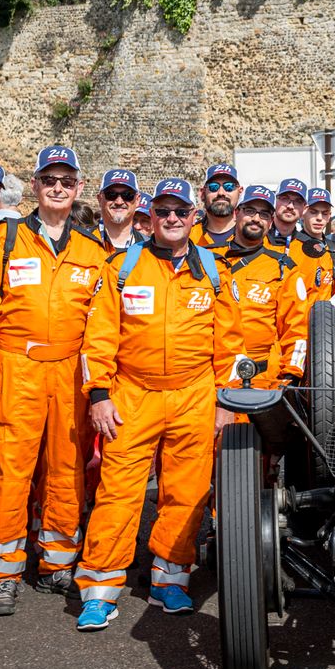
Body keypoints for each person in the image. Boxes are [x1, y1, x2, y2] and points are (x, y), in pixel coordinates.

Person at [74, 177, 237, 629]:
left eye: (179, 211)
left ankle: (171, 579)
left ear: (193, 216)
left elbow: (230, 342)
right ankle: (100, 588)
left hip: (194, 394)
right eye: (163, 211)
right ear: (150, 215)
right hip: (133, 392)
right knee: (118, 493)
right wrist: (100, 395)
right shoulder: (123, 267)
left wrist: (225, 402)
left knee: (186, 494)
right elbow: (99, 335)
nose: (171, 219)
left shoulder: (214, 269)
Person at [0, 146, 114, 614]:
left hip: (70, 371)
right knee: (10, 472)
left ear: (77, 189)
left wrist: (97, 386)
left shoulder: (94, 251)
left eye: (66, 181)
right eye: (49, 179)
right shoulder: (6, 239)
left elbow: (100, 325)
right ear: (34, 185)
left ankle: (56, 563)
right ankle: (5, 571)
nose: (58, 188)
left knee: (66, 471)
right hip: (15, 366)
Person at [219, 185, 305, 380]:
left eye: (264, 214)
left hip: (262, 378)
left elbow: (297, 329)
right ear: (236, 213)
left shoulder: (284, 268)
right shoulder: (208, 259)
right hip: (211, 375)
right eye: (250, 211)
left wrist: (292, 375)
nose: (256, 219)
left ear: (271, 221)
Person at [190, 163, 241, 249]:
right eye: (214, 187)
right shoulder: (187, 237)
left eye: (229, 187)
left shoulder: (252, 236)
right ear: (202, 194)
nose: (221, 193)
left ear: (240, 192)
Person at [96, 169, 142, 250]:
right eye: (111, 194)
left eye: (127, 195)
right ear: (100, 199)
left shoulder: (149, 248)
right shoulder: (81, 242)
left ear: (137, 200)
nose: (119, 202)